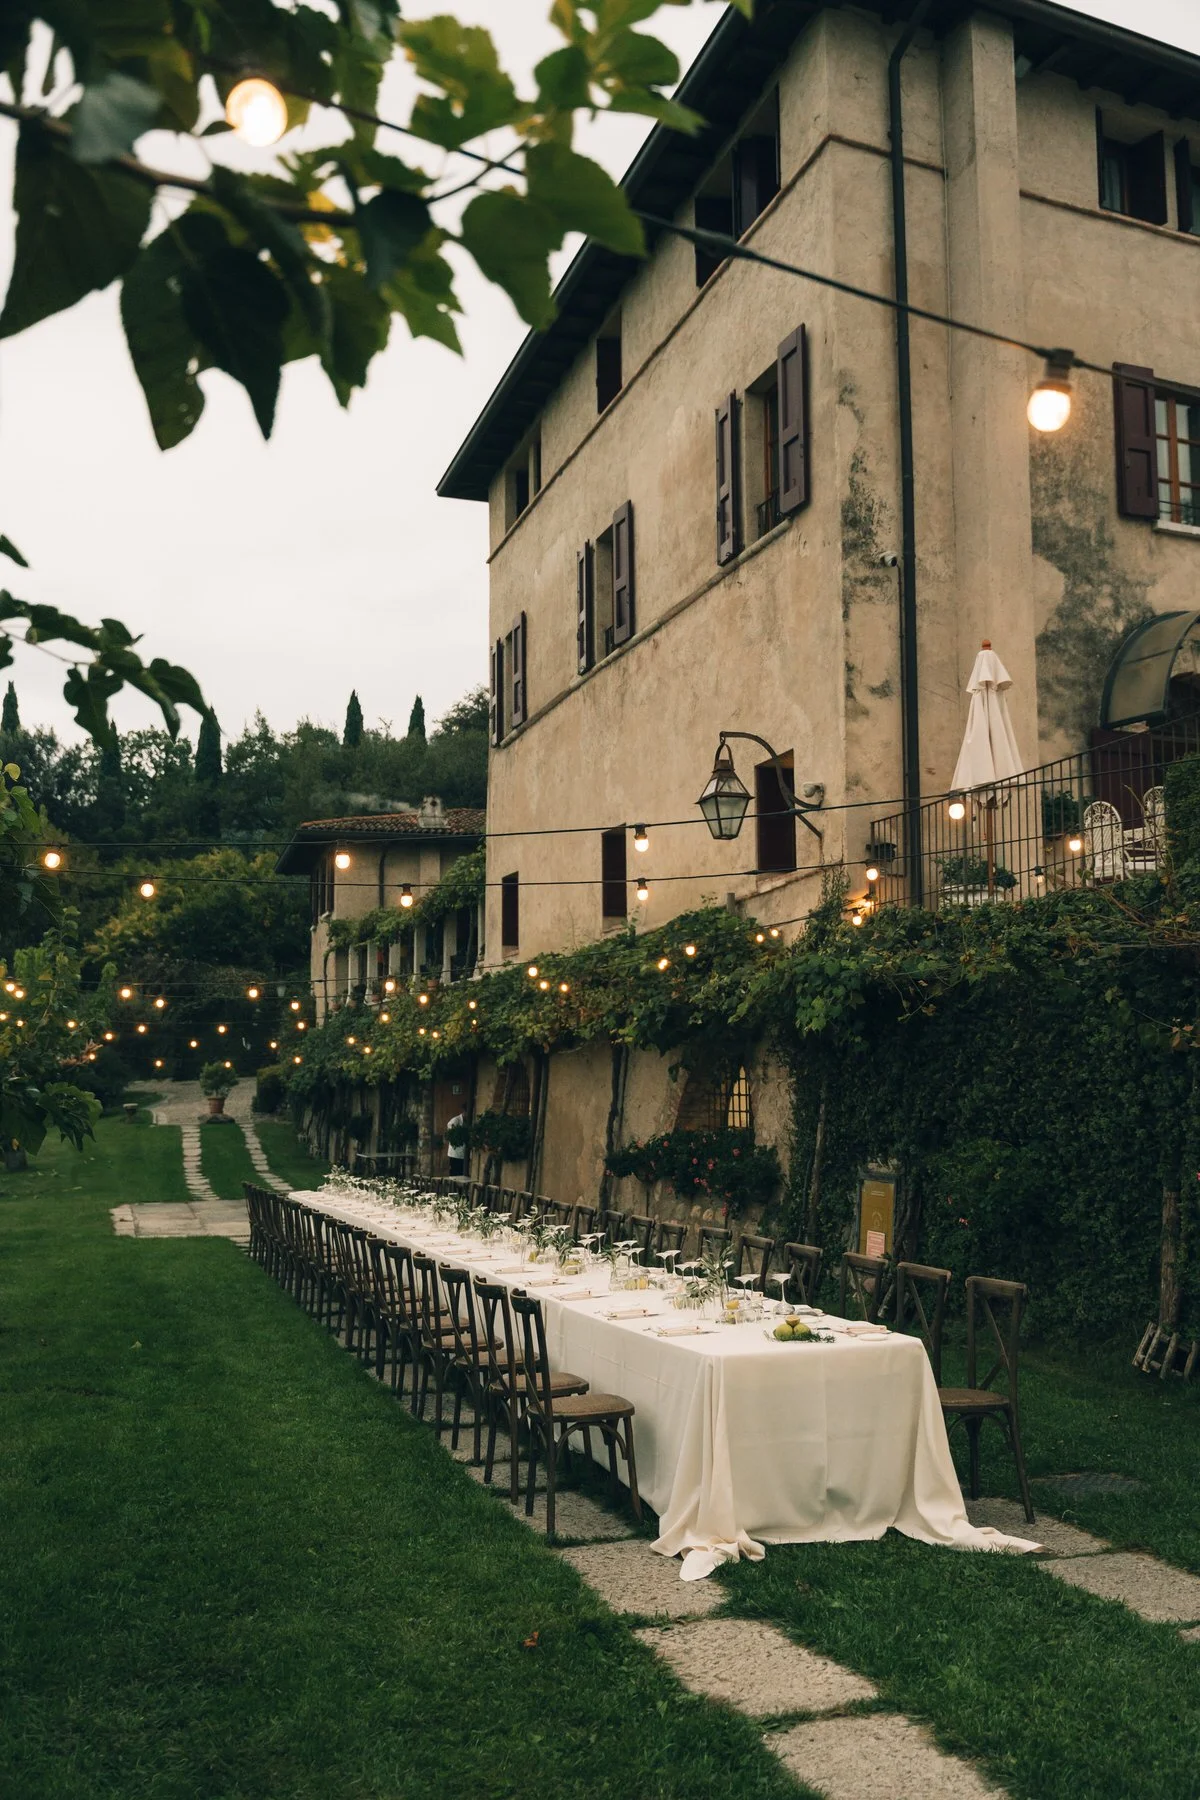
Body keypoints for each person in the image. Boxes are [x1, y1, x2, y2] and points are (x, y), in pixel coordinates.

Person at [446, 1111, 466, 1179]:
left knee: (461, 1172)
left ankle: (459, 1188)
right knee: (454, 1172)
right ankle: (453, 1187)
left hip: (463, 1153)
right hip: (455, 1153)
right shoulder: (455, 1120)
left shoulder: (467, 1120)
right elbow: (451, 1133)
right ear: (464, 1111)